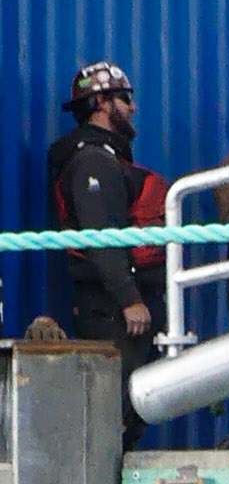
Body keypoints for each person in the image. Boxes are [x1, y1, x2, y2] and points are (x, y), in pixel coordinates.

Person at [45, 62, 166, 370]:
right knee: (122, 405)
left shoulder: (106, 157)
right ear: (101, 103)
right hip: (112, 310)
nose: (134, 107)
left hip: (118, 303)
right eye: (125, 98)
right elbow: (101, 235)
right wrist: (129, 300)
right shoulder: (93, 162)